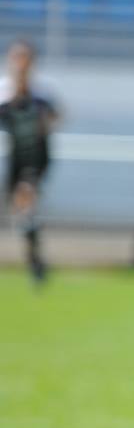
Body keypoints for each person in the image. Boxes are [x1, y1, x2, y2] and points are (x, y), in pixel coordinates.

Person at [2, 39, 59, 286]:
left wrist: (45, 124)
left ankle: (36, 265)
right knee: (21, 215)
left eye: (24, 58)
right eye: (16, 58)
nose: (20, 64)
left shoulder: (42, 93)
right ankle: (36, 260)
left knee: (26, 200)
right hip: (11, 160)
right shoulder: (4, 92)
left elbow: (57, 116)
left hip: (34, 158)